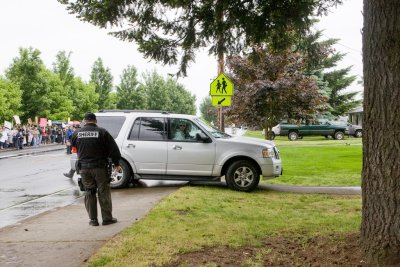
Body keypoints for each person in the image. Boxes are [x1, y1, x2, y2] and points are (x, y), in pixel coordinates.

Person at [70, 112, 122, 226]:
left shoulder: (76, 133)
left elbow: (72, 147)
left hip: (84, 168)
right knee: (103, 192)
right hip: (100, 168)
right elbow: (114, 149)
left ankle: (93, 220)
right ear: (95, 120)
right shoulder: (102, 132)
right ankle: (107, 219)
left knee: (89, 192)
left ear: (84, 120)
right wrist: (116, 163)